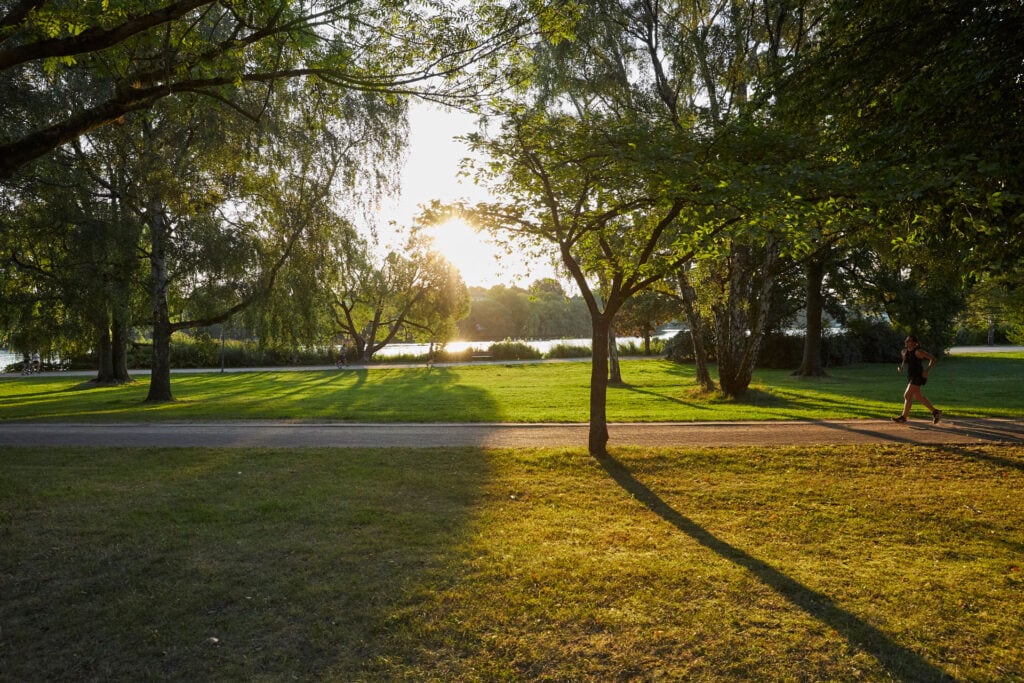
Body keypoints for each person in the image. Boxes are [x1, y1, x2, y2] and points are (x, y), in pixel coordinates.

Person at [892, 335, 942, 424]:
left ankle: (903, 417)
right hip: (910, 376)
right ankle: (936, 412)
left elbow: (933, 359)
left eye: (910, 341)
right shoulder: (904, 351)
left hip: (918, 375)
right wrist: (901, 368)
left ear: (915, 343)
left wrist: (927, 370)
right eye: (907, 340)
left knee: (907, 395)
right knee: (918, 396)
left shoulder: (918, 352)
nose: (908, 342)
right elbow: (904, 360)